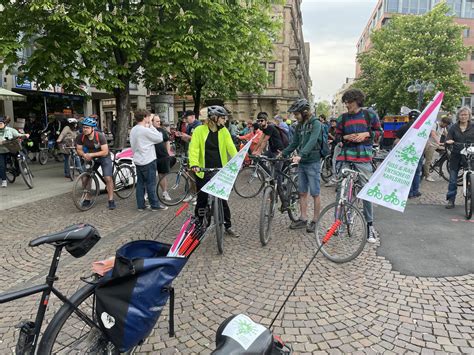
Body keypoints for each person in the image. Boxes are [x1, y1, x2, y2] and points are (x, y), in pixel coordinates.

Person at [335, 89, 383, 243]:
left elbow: (379, 131)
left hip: (363, 158)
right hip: (346, 156)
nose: (346, 105)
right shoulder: (342, 118)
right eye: (346, 102)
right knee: (340, 190)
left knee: (366, 191)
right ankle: (338, 223)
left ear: (356, 101)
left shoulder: (370, 115)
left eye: (349, 102)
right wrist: (344, 137)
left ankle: (370, 226)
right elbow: (336, 136)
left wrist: (366, 134)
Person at [188, 105, 240, 238]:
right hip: (203, 170)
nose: (225, 120)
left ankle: (228, 225)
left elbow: (231, 148)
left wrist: (237, 162)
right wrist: (194, 164)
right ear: (214, 118)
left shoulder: (224, 131)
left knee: (222, 199)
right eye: (223, 118)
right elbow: (193, 149)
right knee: (202, 199)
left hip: (220, 170)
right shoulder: (199, 130)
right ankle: (198, 225)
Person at [281, 99, 323, 232]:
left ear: (305, 112)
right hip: (302, 163)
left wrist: (301, 154)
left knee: (315, 193)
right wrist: (283, 153)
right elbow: (294, 143)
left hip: (313, 162)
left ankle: (315, 220)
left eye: (297, 114)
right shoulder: (299, 126)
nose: (295, 116)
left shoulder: (316, 123)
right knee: (302, 192)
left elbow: (312, 140)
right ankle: (303, 218)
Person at [130, 110, 167, 211]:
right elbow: (160, 138)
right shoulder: (145, 130)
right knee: (151, 184)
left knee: (141, 184)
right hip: (148, 159)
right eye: (149, 117)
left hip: (138, 159)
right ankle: (155, 205)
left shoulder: (133, 129)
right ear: (145, 117)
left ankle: (141, 205)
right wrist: (151, 125)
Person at [75, 116, 116, 210]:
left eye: (87, 127)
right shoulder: (80, 137)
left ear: (92, 128)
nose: (85, 129)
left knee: (107, 177)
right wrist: (84, 155)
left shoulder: (99, 136)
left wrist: (91, 154)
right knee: (87, 177)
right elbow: (79, 150)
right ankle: (88, 198)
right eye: (84, 127)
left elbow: (105, 151)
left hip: (104, 157)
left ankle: (111, 200)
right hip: (91, 157)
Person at [445, 106, 474, 209]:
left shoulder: (473, 126)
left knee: (472, 179)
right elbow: (448, 138)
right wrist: (449, 141)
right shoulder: (453, 127)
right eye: (462, 114)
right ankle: (451, 200)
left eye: (466, 114)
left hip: (470, 157)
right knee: (453, 179)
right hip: (456, 156)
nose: (463, 116)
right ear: (458, 116)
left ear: (469, 116)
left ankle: (471, 199)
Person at [394, 109, 423, 199]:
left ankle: (409, 192)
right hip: (418, 152)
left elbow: (396, 141)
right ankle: (415, 191)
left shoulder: (404, 127)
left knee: (408, 173)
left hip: (406, 154)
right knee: (417, 173)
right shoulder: (422, 127)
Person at [0, 116, 30, 188]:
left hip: (11, 149)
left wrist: (25, 135)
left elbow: (18, 135)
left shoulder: (10, 130)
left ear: (4, 124)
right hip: (1, 151)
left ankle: (23, 167)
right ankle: (4, 180)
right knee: (1, 165)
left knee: (20, 155)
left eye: (1, 123)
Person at [423, 116, 451, 182]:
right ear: (442, 122)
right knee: (428, 160)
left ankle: (438, 164)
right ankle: (427, 176)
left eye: (446, 125)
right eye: (445, 124)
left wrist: (450, 139)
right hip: (430, 145)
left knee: (445, 152)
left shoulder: (444, 128)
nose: (445, 126)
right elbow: (433, 134)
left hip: (437, 145)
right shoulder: (435, 125)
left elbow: (446, 134)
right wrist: (438, 142)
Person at [152, 114, 172, 202]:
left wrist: (168, 153)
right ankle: (148, 194)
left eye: (159, 121)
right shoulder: (148, 131)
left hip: (162, 156)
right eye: (156, 121)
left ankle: (164, 192)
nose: (159, 122)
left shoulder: (162, 130)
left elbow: (167, 141)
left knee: (162, 175)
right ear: (151, 122)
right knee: (150, 176)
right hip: (151, 157)